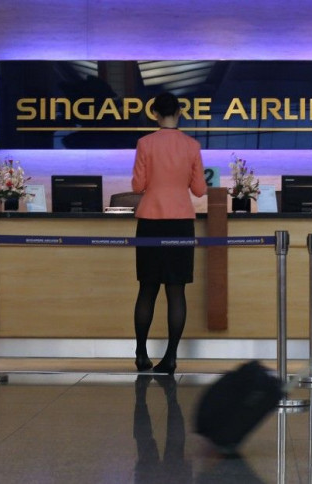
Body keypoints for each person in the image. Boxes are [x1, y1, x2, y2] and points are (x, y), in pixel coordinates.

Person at [131, 92, 207, 374]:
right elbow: (199, 190)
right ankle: (171, 357)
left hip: (150, 221)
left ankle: (141, 354)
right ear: (180, 112)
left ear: (154, 114)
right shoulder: (192, 145)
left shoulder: (145, 143)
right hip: (180, 223)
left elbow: (138, 185)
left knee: (147, 289)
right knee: (176, 292)